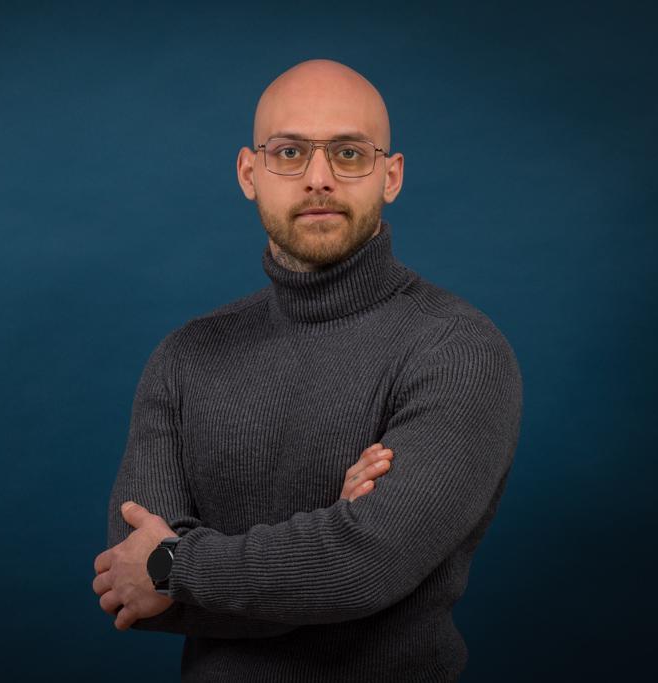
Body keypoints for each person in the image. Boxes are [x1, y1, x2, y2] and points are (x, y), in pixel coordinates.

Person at [91, 58, 523, 682]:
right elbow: (128, 585)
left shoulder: (457, 350)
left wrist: (176, 567)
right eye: (289, 153)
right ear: (249, 173)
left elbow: (365, 568)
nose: (318, 178)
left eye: (349, 153)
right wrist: (326, 546)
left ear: (391, 175)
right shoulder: (186, 357)